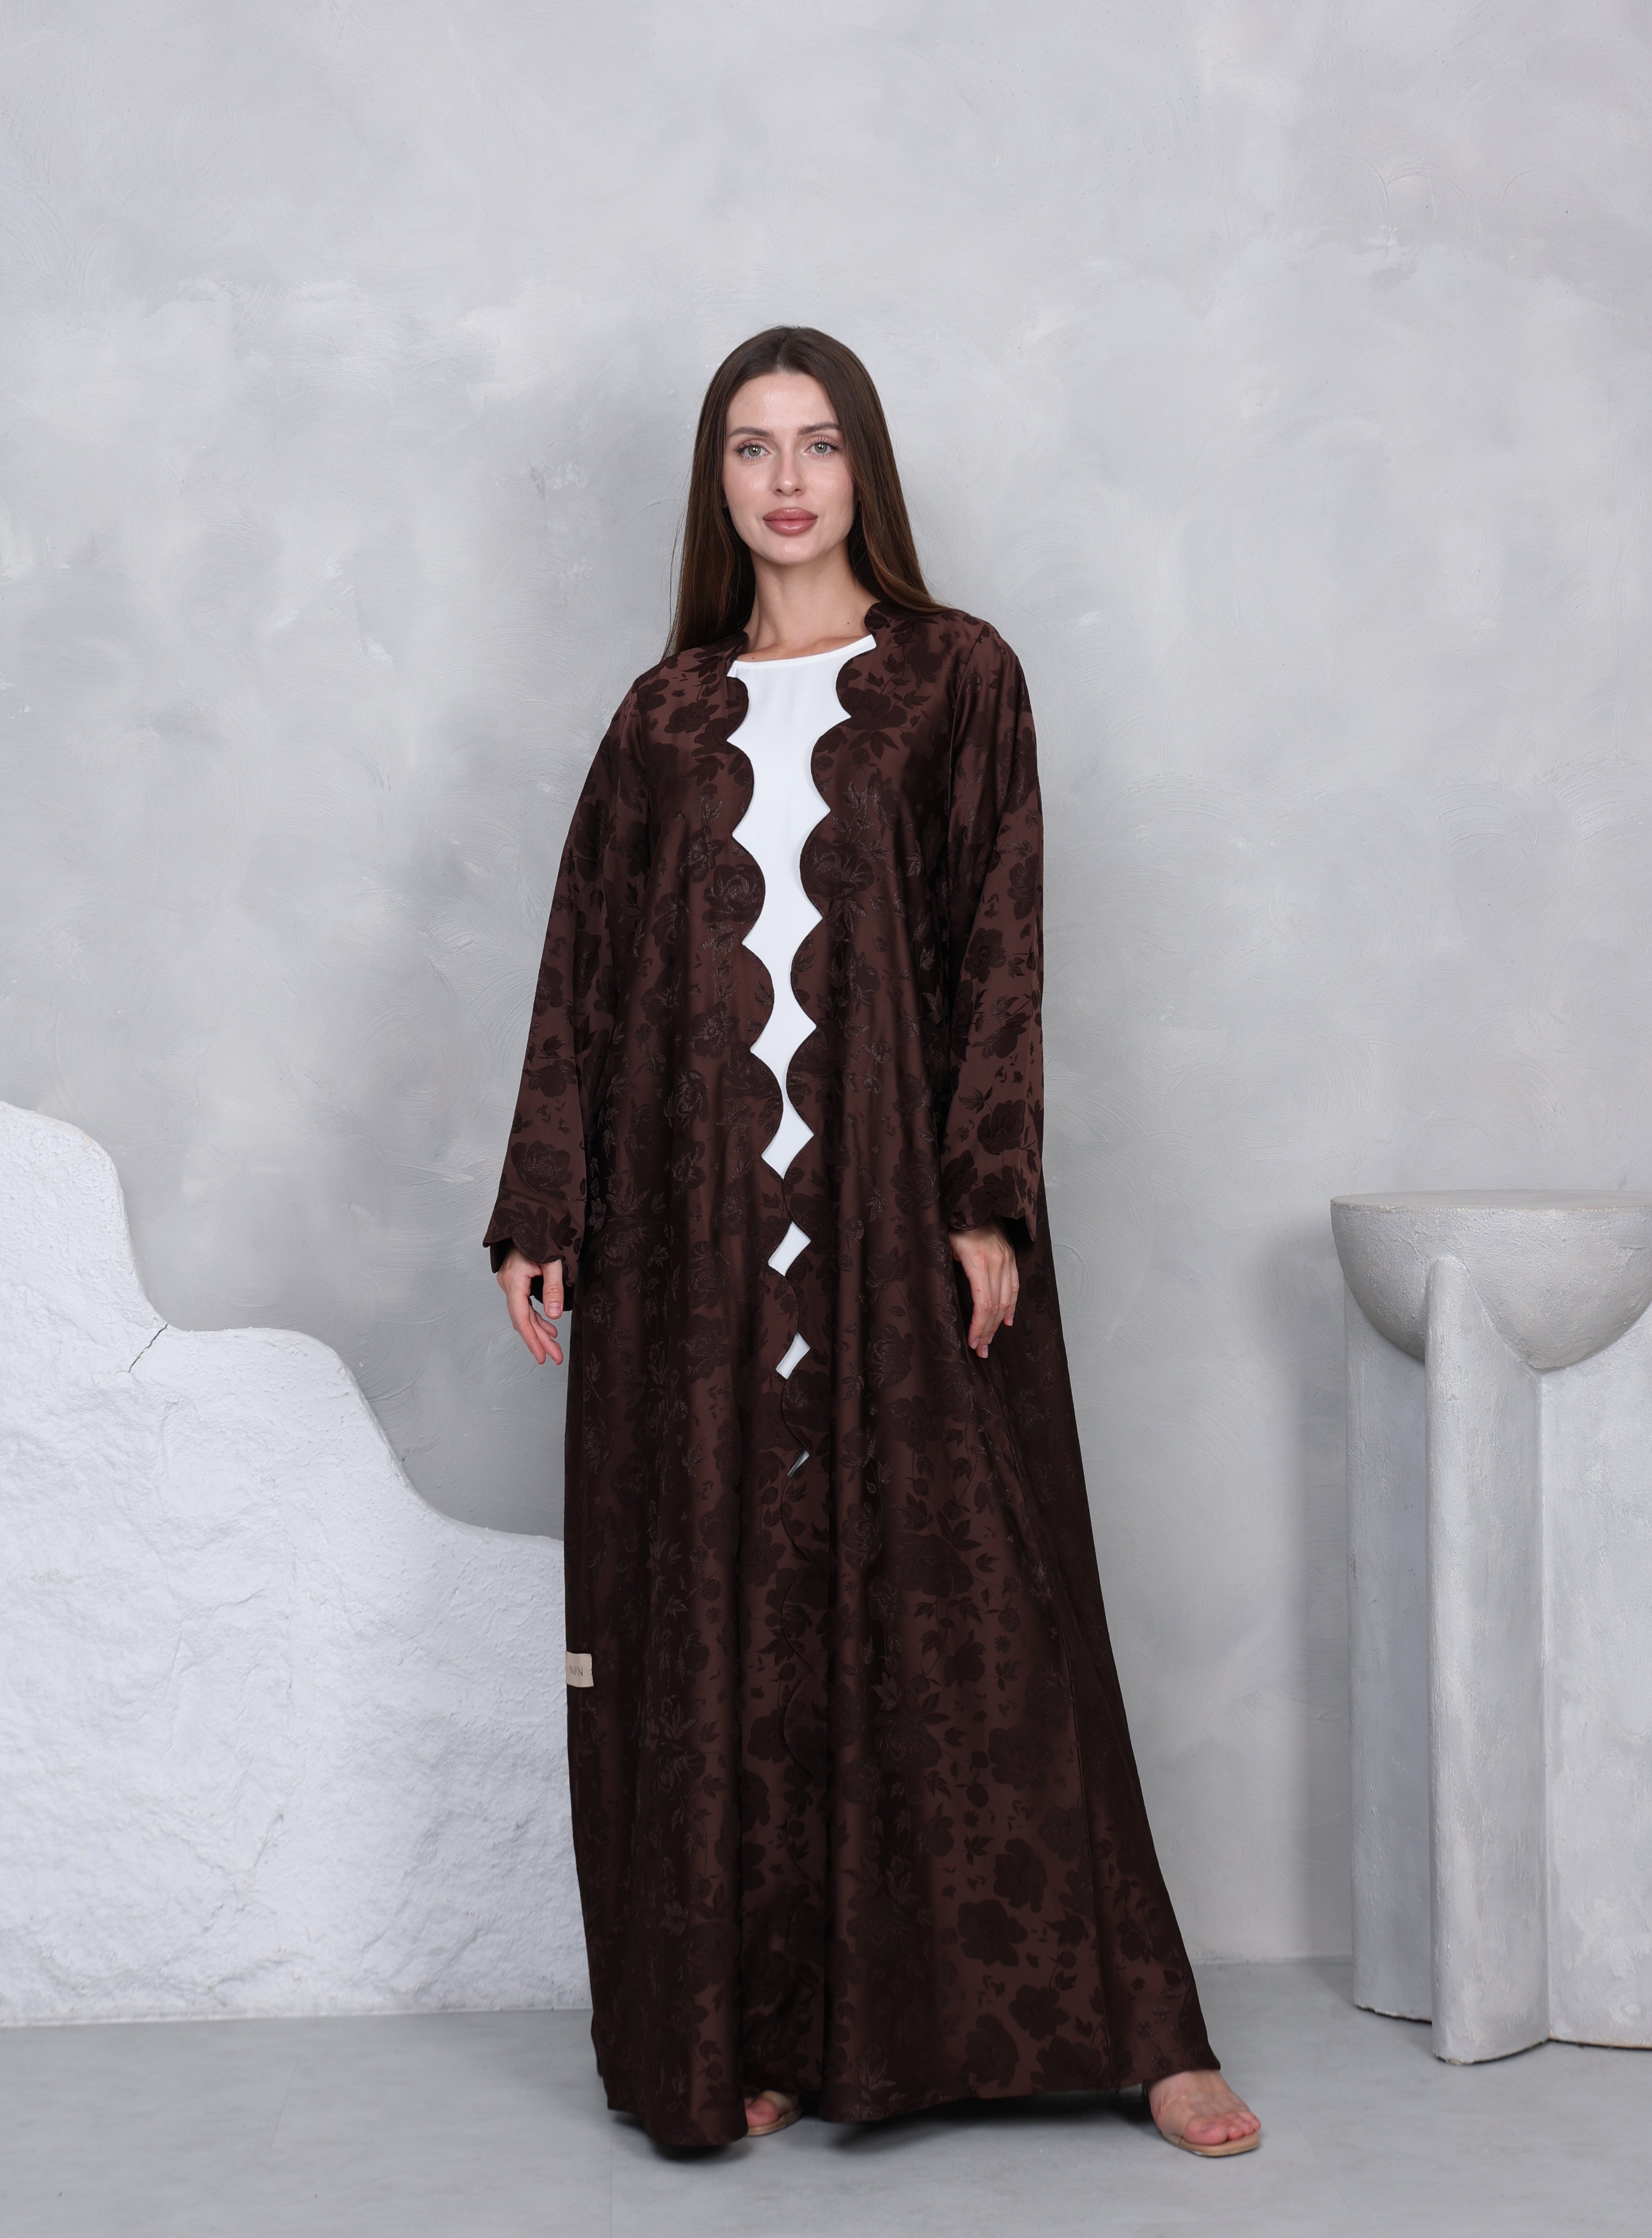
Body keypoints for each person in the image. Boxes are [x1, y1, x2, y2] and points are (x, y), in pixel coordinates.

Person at [485, 326, 1260, 2159]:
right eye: (752, 447)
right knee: (730, 1618)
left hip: (896, 1216)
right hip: (691, 1243)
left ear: (865, 471)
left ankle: (1146, 2033)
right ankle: (757, 2030)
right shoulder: (662, 717)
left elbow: (1004, 942)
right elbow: (582, 967)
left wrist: (984, 1191)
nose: (787, 479)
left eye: (819, 443)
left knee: (990, 1606)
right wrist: (545, 1205)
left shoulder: (959, 680)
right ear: (716, 481)